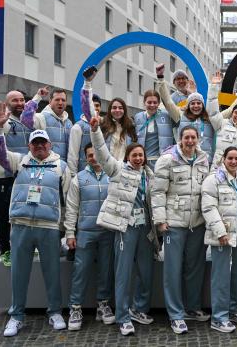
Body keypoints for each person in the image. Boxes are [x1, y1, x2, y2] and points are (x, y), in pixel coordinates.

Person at [0, 103, 71, 337]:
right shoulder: (20, 161)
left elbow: (68, 200)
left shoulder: (60, 166)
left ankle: (55, 311)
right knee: (19, 274)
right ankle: (16, 316)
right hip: (21, 225)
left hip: (48, 227)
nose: (39, 147)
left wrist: (67, 229)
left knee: (52, 272)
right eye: (35, 143)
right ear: (29, 146)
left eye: (42, 143)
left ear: (50, 144)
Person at [88, 116, 157, 336]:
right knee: (123, 272)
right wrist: (96, 130)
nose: (138, 158)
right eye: (134, 155)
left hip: (145, 229)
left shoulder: (148, 174)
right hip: (125, 227)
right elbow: (101, 152)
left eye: (141, 155)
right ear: (127, 157)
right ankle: (123, 316)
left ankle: (139, 308)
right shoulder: (117, 170)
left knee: (146, 271)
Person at [152, 126, 211, 334]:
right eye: (186, 137)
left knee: (195, 268)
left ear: (198, 139)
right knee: (173, 270)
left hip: (197, 223)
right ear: (180, 139)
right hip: (174, 223)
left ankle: (192, 307)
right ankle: (175, 314)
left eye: (193, 137)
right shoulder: (167, 159)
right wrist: (160, 220)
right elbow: (157, 192)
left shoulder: (204, 159)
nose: (190, 141)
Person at [65, 143, 115, 331]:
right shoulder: (79, 178)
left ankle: (103, 304)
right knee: (81, 270)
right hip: (86, 231)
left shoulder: (112, 175)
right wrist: (70, 232)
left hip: (108, 231)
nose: (93, 158)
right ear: (85, 157)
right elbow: (71, 207)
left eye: (96, 154)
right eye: (89, 155)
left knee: (106, 269)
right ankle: (75, 307)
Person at [201, 147, 237, 333]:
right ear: (223, 159)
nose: (234, 161)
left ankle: (232, 309)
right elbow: (208, 208)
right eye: (230, 158)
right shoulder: (212, 180)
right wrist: (221, 232)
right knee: (221, 277)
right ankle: (219, 317)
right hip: (222, 235)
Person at [0, 88, 33, 266]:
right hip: (4, 176)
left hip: (25, 175)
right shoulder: (4, 118)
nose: (19, 103)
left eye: (21, 100)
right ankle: (5, 250)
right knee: (4, 215)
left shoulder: (28, 120)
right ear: (8, 102)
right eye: (15, 100)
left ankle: (25, 247)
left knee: (27, 212)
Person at [156, 64, 216, 163]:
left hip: (204, 159)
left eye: (183, 78)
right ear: (174, 82)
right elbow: (167, 103)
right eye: (177, 79)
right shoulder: (178, 107)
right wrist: (161, 79)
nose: (181, 81)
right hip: (184, 151)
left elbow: (218, 111)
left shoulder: (207, 117)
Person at [207, 72, 237, 175]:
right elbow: (212, 112)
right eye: (236, 113)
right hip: (220, 173)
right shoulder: (222, 123)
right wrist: (214, 86)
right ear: (231, 113)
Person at [22, 88, 73, 162]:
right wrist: (38, 97)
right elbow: (25, 118)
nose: (60, 103)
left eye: (63, 100)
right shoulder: (40, 117)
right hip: (45, 167)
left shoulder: (69, 123)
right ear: (50, 101)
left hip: (63, 168)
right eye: (57, 99)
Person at [134, 90, 175, 170]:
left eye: (155, 102)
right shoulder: (138, 117)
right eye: (149, 102)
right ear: (144, 102)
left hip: (162, 161)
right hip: (142, 161)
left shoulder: (166, 116)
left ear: (159, 103)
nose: (152, 105)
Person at [68, 92, 102, 176]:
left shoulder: (104, 125)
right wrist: (73, 176)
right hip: (83, 175)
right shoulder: (78, 127)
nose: (95, 108)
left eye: (97, 105)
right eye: (92, 106)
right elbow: (73, 155)